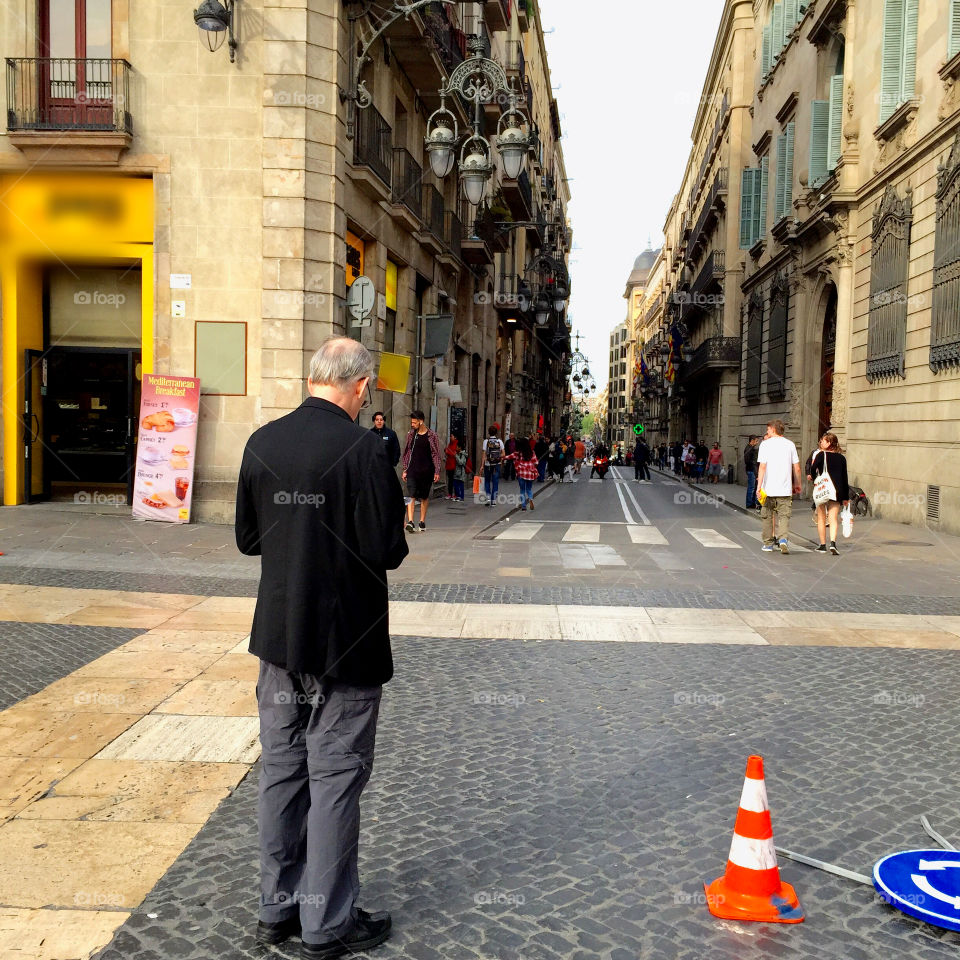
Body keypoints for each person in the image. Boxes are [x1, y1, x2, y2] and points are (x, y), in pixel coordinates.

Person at [235, 337, 406, 958]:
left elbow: (248, 540)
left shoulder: (262, 443)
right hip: (347, 643)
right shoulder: (364, 451)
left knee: (281, 770)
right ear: (359, 387)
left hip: (280, 639)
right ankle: (326, 924)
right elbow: (387, 548)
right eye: (369, 392)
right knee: (334, 777)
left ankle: (275, 909)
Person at [756, 419, 802, 555]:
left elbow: (762, 467)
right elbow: (797, 468)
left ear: (773, 429)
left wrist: (759, 487)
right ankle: (783, 540)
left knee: (767, 516)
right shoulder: (790, 445)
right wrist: (798, 484)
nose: (767, 431)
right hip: (785, 489)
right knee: (784, 516)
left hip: (768, 489)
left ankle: (768, 544)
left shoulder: (765, 445)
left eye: (768, 429)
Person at [810, 432, 850, 555]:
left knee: (821, 518)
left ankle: (823, 545)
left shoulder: (821, 455)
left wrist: (813, 477)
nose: (821, 442)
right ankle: (833, 543)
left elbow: (812, 469)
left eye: (823, 440)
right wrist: (846, 497)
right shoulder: (842, 458)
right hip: (837, 491)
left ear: (829, 443)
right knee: (833, 518)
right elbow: (845, 478)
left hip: (823, 489)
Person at [401, 410, 441, 532]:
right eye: (411, 422)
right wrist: (405, 469)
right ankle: (411, 522)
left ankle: (422, 521)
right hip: (412, 469)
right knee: (411, 495)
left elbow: (436, 454)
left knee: (424, 496)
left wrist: (437, 471)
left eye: (414, 422)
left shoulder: (432, 435)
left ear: (421, 421)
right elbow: (407, 452)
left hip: (427, 470)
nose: (412, 425)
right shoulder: (411, 434)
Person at [504, 436, 539, 510]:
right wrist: (532, 466)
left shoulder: (517, 453)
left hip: (521, 473)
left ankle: (523, 506)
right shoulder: (531, 452)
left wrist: (500, 457)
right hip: (530, 474)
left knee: (522, 490)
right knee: (529, 489)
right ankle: (530, 499)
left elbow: (508, 457)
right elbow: (536, 462)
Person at [480, 425, 504, 506]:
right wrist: (499, 459)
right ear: (496, 433)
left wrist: (482, 465)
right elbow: (503, 454)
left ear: (488, 432)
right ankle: (493, 500)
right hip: (497, 464)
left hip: (488, 464)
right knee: (495, 481)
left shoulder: (486, 441)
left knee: (487, 480)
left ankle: (488, 497)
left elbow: (483, 454)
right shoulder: (499, 441)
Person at [743, 435, 760, 509]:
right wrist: (753, 465)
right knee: (751, 487)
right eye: (756, 441)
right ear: (752, 440)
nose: (757, 442)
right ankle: (749, 503)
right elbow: (747, 461)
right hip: (751, 470)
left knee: (753, 487)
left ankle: (752, 503)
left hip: (752, 470)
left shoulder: (751, 448)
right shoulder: (748, 448)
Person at [443, 435, 459, 500]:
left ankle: (455, 494)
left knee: (454, 480)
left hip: (454, 465)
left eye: (451, 436)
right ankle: (450, 494)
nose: (450, 437)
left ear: (455, 437)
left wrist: (448, 452)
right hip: (449, 465)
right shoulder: (450, 444)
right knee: (450, 480)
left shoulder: (457, 444)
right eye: (450, 436)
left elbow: (455, 454)